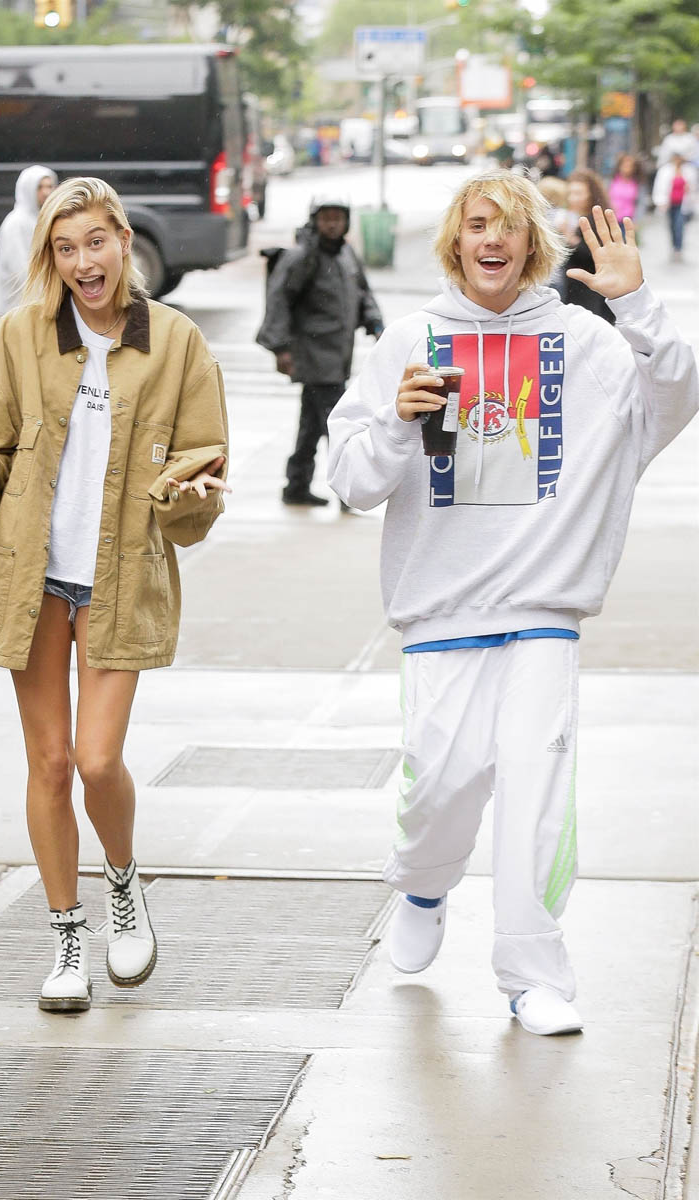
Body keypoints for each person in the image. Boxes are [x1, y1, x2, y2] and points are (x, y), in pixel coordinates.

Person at [326, 170, 698, 1037]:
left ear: (533, 243)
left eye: (509, 226)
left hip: (543, 609)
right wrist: (395, 424)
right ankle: (424, 881)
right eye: (476, 225)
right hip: (439, 612)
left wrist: (637, 304)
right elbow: (350, 481)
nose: (491, 239)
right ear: (455, 241)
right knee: (442, 784)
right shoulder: (411, 339)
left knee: (536, 791)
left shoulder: (586, 341)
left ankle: (533, 974)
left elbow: (675, 395)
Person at [0, 177, 230, 1014]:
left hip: (122, 576)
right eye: (65, 247)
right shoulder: (20, 336)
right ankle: (66, 937)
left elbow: (201, 462)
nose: (83, 261)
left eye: (95, 242)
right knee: (49, 764)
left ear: (123, 241)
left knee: (96, 760)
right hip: (35, 576)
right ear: (49, 256)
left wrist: (189, 494)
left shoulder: (176, 341)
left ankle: (121, 881)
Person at [256, 197, 384, 508]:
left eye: (338, 218)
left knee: (312, 423)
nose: (332, 225)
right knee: (337, 423)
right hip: (314, 353)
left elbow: (362, 293)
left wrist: (376, 323)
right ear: (315, 221)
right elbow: (279, 300)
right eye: (326, 218)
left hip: (338, 352)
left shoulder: (346, 254)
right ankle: (349, 490)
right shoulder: (302, 257)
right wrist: (281, 348)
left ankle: (296, 485)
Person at [0, 165, 57, 318]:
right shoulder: (16, 223)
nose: (46, 192)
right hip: (17, 309)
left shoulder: (42, 219)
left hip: (34, 308)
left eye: (49, 186)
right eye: (40, 187)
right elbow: (21, 270)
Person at [564, 168, 616, 323]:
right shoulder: (576, 217)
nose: (573, 198)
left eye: (578, 193)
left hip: (591, 292)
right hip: (578, 289)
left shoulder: (595, 220)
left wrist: (571, 239)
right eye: (570, 193)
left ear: (591, 194)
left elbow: (597, 254)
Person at [652, 152, 697, 261]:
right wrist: (660, 201)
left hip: (683, 204)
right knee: (672, 225)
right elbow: (660, 186)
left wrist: (690, 189)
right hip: (669, 204)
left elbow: (694, 187)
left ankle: (678, 247)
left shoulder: (689, 170)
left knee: (679, 225)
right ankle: (674, 245)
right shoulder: (665, 170)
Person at [608, 153, 645, 225]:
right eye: (624, 165)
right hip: (611, 219)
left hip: (628, 220)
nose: (627, 168)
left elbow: (641, 203)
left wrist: (637, 221)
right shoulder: (612, 181)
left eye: (630, 166)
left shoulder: (637, 184)